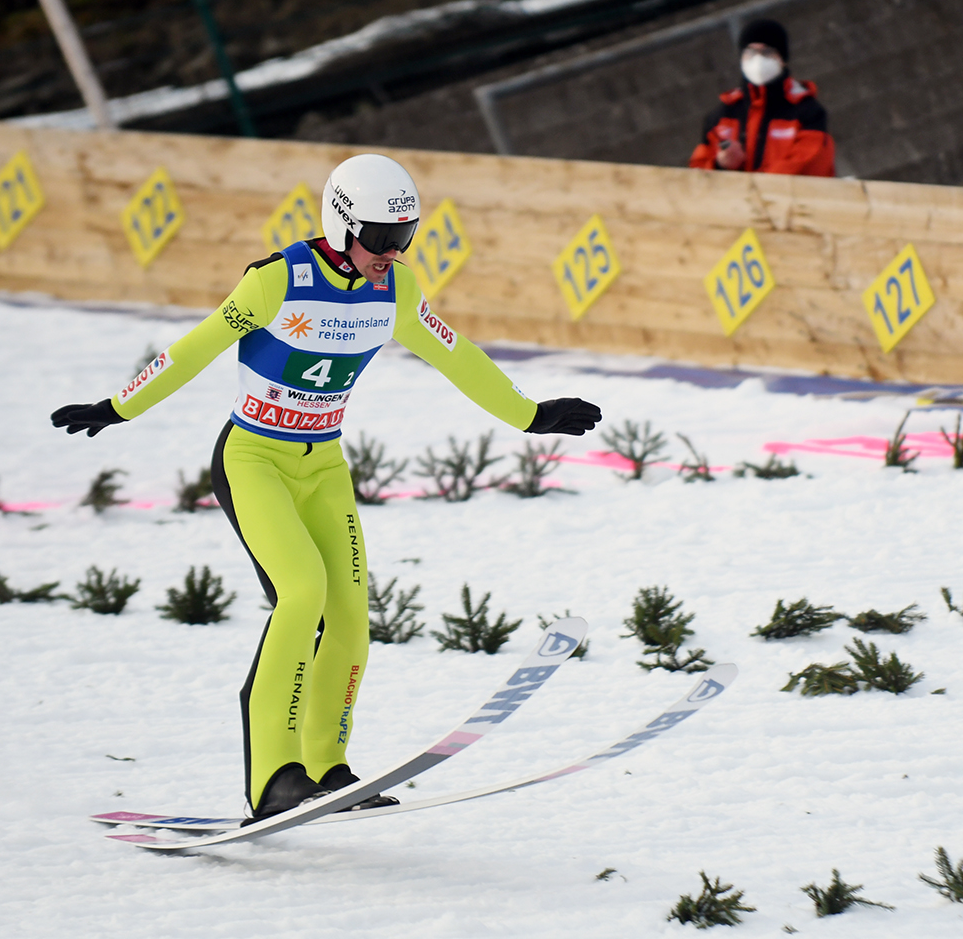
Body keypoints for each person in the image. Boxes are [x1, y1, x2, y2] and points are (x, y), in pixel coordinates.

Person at [51, 155, 602, 823]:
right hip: (253, 458)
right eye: (379, 237)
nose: (391, 253)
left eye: (405, 238)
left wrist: (531, 415)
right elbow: (192, 350)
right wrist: (118, 407)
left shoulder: (395, 290)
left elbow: (455, 355)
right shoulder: (278, 280)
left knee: (347, 613)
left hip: (323, 466)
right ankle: (272, 778)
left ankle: (325, 765)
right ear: (341, 224)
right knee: (300, 593)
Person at [688, 18, 835, 178]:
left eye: (767, 53)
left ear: (782, 59)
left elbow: (809, 165)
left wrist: (755, 189)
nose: (757, 60)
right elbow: (698, 173)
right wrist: (720, 165)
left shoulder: (807, 112)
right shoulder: (723, 115)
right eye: (750, 53)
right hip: (735, 201)